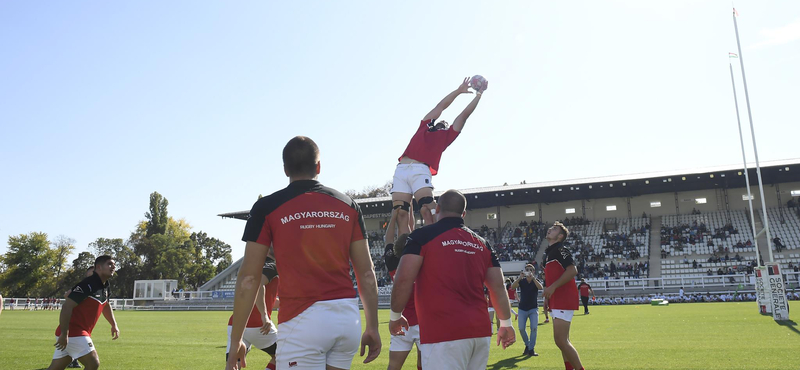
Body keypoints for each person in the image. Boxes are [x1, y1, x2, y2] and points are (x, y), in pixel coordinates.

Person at [227, 136, 380, 370]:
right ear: (318, 167)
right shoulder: (348, 204)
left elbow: (249, 278)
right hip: (347, 318)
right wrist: (373, 327)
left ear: (285, 169)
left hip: (302, 321)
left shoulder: (267, 207)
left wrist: (237, 340)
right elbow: (367, 274)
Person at [389, 189, 515, 370]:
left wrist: (394, 316)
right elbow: (498, 287)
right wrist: (505, 323)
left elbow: (403, 279)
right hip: (479, 333)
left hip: (443, 334)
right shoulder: (482, 243)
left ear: (437, 208)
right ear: (463, 214)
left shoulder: (421, 236)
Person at [391, 77, 487, 235]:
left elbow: (464, 115)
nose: (444, 123)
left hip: (419, 170)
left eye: (446, 123)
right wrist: (458, 91)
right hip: (401, 169)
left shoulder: (447, 136)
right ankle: (405, 248)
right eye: (441, 122)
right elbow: (441, 106)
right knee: (401, 213)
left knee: (429, 205)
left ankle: (444, 235)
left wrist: (478, 96)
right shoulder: (425, 125)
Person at [48, 256, 119, 370]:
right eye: (109, 264)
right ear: (99, 267)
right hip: (74, 333)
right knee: (93, 363)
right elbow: (66, 307)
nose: (113, 267)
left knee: (56, 367)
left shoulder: (105, 286)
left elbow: (106, 305)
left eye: (114, 264)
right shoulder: (87, 284)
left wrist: (113, 324)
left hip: (75, 333)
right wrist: (64, 334)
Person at [383, 209, 422, 370]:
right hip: (423, 322)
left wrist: (393, 218)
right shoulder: (422, 265)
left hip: (401, 321)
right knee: (425, 364)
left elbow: (388, 239)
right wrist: (411, 209)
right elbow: (410, 235)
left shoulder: (393, 264)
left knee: (393, 366)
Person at [543, 222, 584, 370]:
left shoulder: (561, 249)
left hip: (564, 297)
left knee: (560, 340)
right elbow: (550, 278)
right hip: (556, 298)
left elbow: (573, 270)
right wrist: (548, 298)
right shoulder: (548, 253)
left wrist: (553, 287)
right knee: (563, 341)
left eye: (554, 229)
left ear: (560, 236)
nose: (549, 229)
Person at [226, 258, 279, 370]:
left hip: (235, 324)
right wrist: (264, 315)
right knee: (283, 354)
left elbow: (269, 300)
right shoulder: (272, 265)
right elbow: (258, 285)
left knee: (233, 364)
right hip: (258, 324)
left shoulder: (250, 266)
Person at [511, 264, 543, 356]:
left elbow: (540, 287)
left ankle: (531, 349)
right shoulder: (522, 281)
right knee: (521, 328)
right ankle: (528, 345)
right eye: (527, 269)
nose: (529, 271)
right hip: (522, 309)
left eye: (531, 270)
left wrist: (533, 279)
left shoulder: (535, 281)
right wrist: (519, 278)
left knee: (534, 328)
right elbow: (513, 287)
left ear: (533, 272)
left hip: (533, 308)